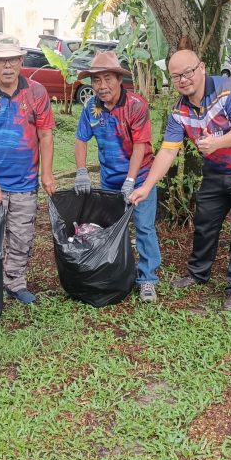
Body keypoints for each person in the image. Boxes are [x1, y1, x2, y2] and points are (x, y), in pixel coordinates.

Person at [128, 49, 231, 311]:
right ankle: (197, 273)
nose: (183, 80)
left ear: (202, 67)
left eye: (188, 72)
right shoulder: (179, 111)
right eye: (176, 76)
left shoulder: (229, 89)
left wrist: (217, 142)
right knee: (205, 222)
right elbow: (169, 150)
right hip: (216, 170)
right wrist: (147, 187)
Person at [0, 34, 56, 304]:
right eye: (1, 61)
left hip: (25, 182)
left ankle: (15, 282)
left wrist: (47, 173)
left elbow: (46, 135)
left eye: (13, 60)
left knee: (21, 236)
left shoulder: (36, 92)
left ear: (21, 61)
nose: (8, 66)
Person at [73, 51, 161, 303]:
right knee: (113, 230)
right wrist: (81, 171)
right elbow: (81, 140)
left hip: (141, 178)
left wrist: (131, 180)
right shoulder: (91, 107)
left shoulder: (135, 105)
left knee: (143, 227)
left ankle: (147, 279)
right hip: (109, 180)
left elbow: (140, 146)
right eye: (96, 80)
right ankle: (120, 271)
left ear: (119, 79)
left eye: (107, 78)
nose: (102, 86)